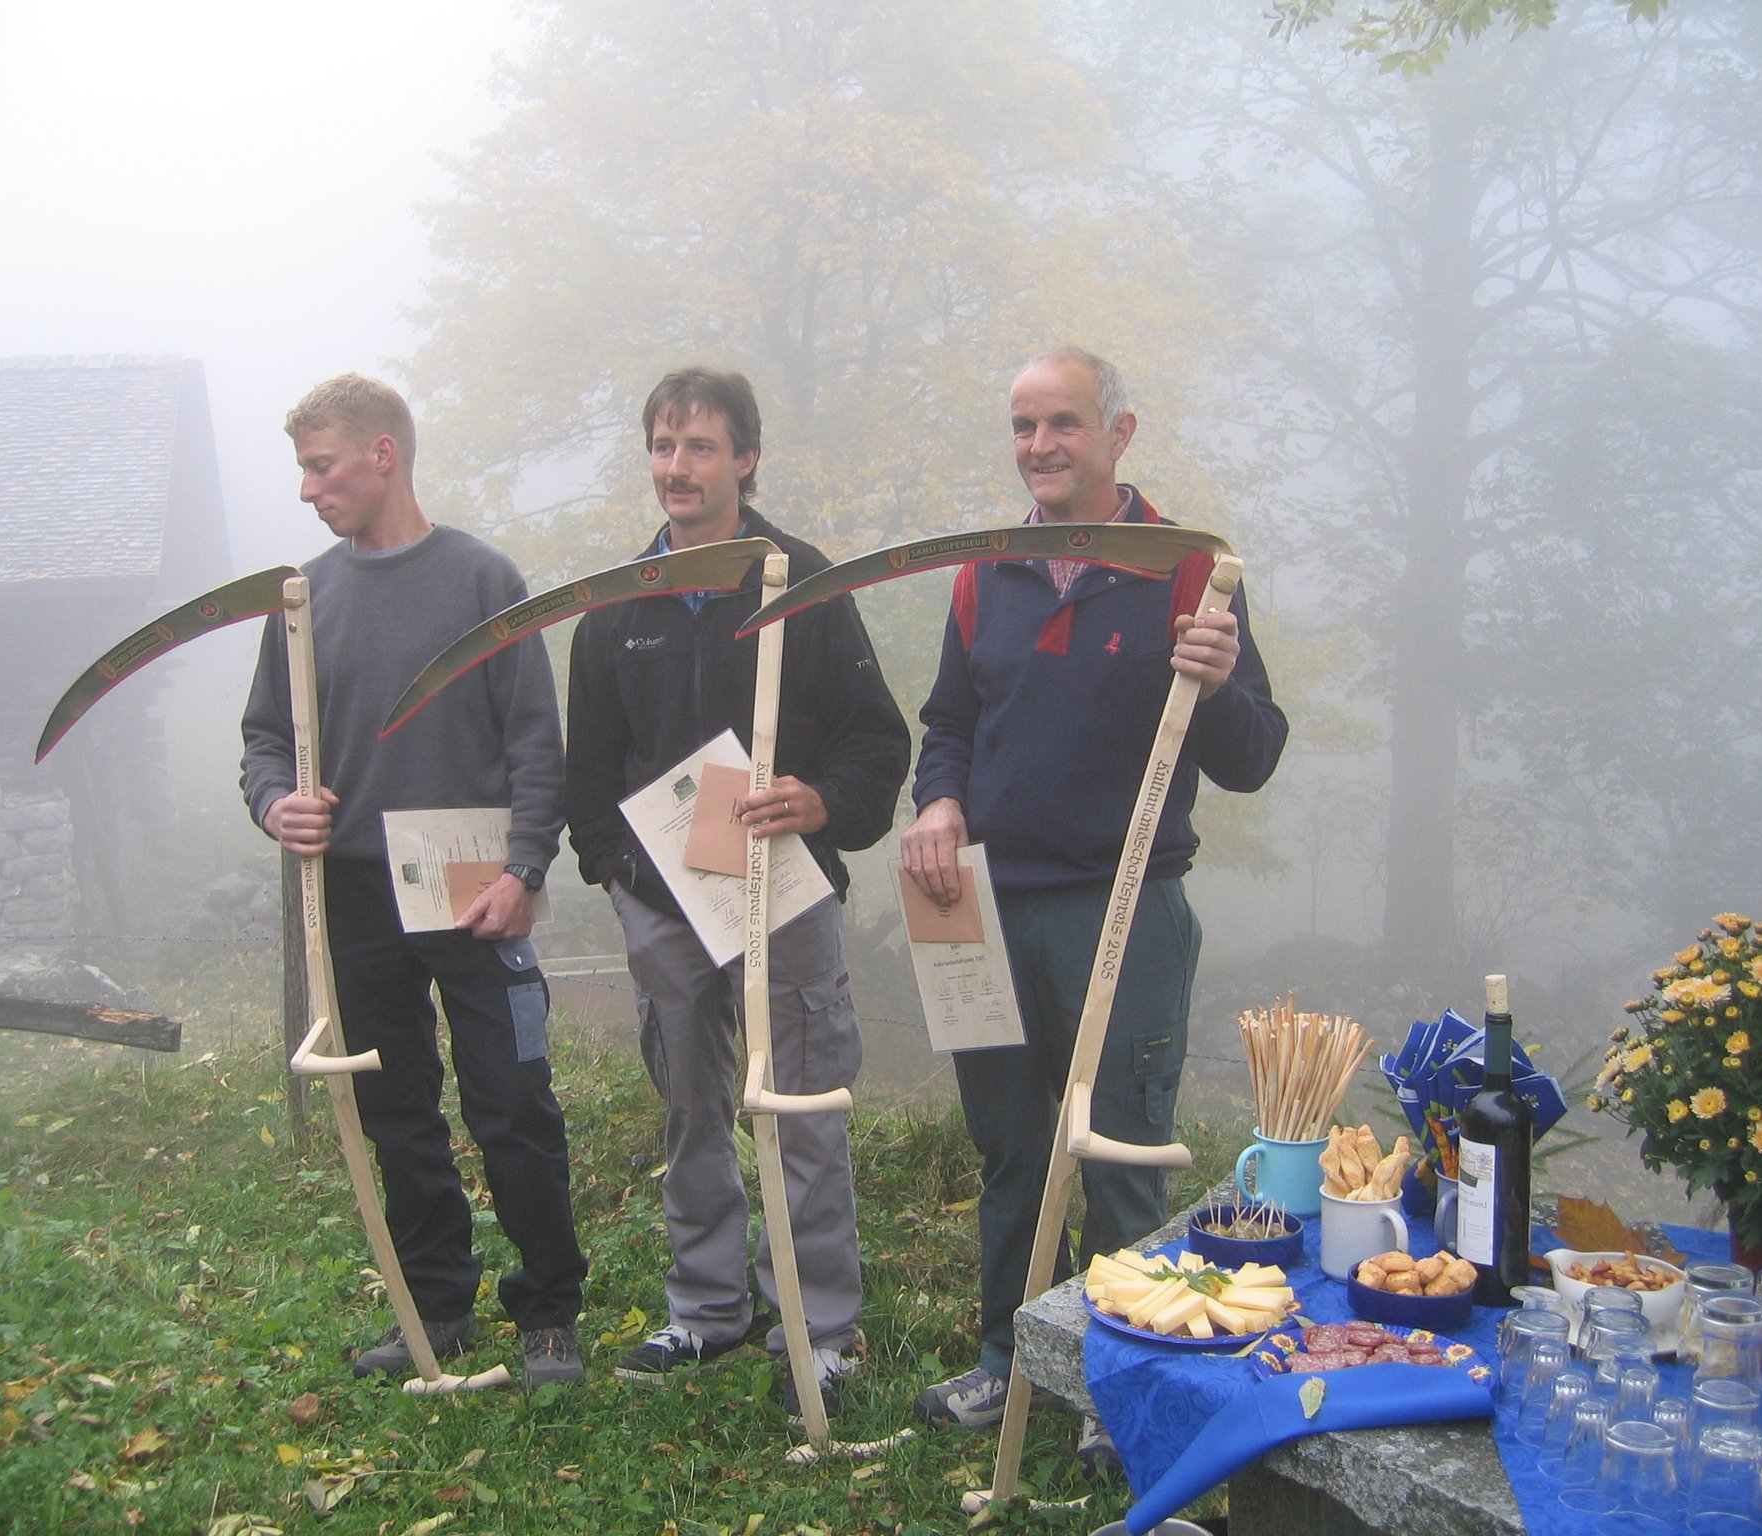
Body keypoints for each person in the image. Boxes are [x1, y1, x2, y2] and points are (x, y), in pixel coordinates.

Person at [901, 347, 1287, 1460]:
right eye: (1023, 426)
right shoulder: (985, 573)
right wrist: (937, 802)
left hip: (1121, 905)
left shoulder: (1188, 569)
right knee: (1011, 1152)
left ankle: (1124, 1385)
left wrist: (1217, 682)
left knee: (1121, 1155)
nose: (1039, 447)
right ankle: (1009, 1361)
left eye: (1063, 423)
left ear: (1119, 434)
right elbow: (949, 724)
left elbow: (1253, 756)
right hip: (979, 907)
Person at [565, 367, 910, 1420]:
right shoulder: (616, 605)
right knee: (691, 1105)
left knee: (800, 1105)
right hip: (664, 905)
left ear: (745, 458)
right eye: (663, 447)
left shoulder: (801, 586)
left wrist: (820, 800)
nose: (677, 468)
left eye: (701, 447)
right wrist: (622, 874)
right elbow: (589, 775)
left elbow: (877, 742)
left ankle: (816, 1325)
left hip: (784, 890)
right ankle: (706, 1309)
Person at [240, 373, 588, 1387]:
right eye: (303, 470)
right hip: (353, 896)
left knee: (513, 1103)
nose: (307, 490)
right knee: (394, 1110)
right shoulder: (302, 600)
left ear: (382, 455)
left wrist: (526, 868)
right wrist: (276, 804)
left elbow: (535, 738)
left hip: (477, 888)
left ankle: (548, 1313)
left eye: (322, 467)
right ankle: (436, 1307)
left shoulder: (483, 580)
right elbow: (265, 740)